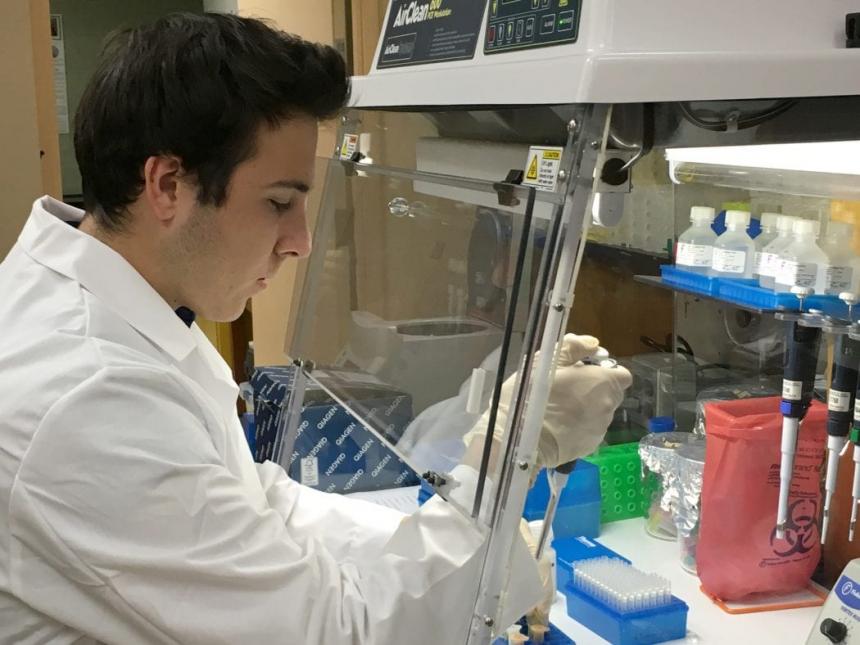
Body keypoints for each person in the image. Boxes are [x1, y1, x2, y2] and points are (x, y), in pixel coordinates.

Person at [0, 12, 631, 645]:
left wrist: (465, 540)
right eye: (278, 202)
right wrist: (497, 467)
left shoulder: (126, 304)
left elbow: (253, 506)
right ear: (167, 185)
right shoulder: (88, 394)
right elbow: (338, 634)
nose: (301, 242)